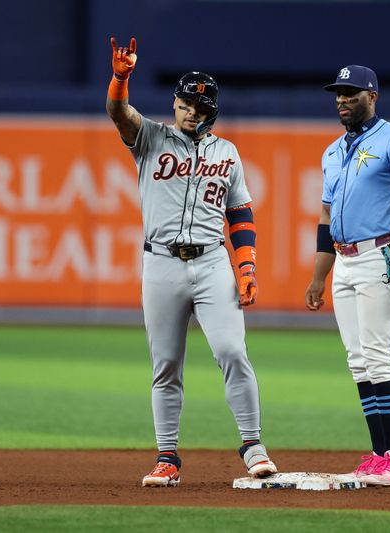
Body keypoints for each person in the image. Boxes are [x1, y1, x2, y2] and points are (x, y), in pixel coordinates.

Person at [106, 36, 277, 487]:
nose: (190, 111)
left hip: (212, 263)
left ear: (211, 111)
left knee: (232, 351)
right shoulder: (151, 137)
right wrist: (121, 78)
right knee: (165, 365)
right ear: (175, 102)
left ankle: (253, 445)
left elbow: (240, 214)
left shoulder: (227, 153)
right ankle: (167, 458)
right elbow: (118, 113)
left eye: (199, 106)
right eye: (185, 103)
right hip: (161, 264)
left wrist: (247, 267)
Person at [305, 65, 390, 487]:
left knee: (381, 356)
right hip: (344, 261)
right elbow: (327, 217)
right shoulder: (332, 151)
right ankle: (381, 455)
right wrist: (318, 277)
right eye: (338, 93)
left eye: (351, 92)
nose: (342, 99)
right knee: (359, 361)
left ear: (372, 96)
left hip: (383, 254)